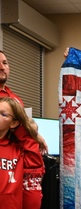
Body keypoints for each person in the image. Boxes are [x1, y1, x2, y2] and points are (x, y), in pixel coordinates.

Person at [0, 50, 46, 209]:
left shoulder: (14, 98)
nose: (2, 67)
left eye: (5, 63)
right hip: (5, 159)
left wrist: (36, 135)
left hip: (26, 160)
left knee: (31, 203)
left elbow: (26, 124)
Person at [0, 97, 44, 209]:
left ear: (14, 123)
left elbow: (35, 161)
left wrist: (23, 129)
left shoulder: (17, 150)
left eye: (3, 114)